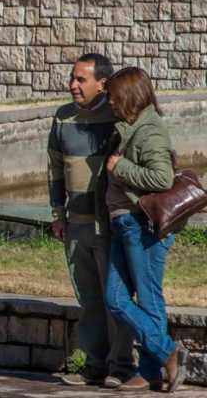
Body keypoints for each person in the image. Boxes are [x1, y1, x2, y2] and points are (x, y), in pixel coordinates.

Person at [48, 54, 135, 388]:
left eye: (81, 79)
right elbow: (55, 168)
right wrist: (58, 214)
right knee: (89, 300)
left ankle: (121, 366)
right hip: (76, 225)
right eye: (72, 78)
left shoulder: (116, 118)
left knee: (115, 298)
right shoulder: (62, 117)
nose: (73, 85)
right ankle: (95, 364)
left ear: (102, 84)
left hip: (108, 226)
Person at [103, 67, 188, 393]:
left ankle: (158, 364)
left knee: (149, 301)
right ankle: (162, 359)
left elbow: (162, 178)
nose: (110, 102)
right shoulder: (131, 127)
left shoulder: (149, 130)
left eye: (114, 96)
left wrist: (120, 167)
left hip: (142, 227)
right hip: (125, 225)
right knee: (115, 298)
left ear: (129, 96)